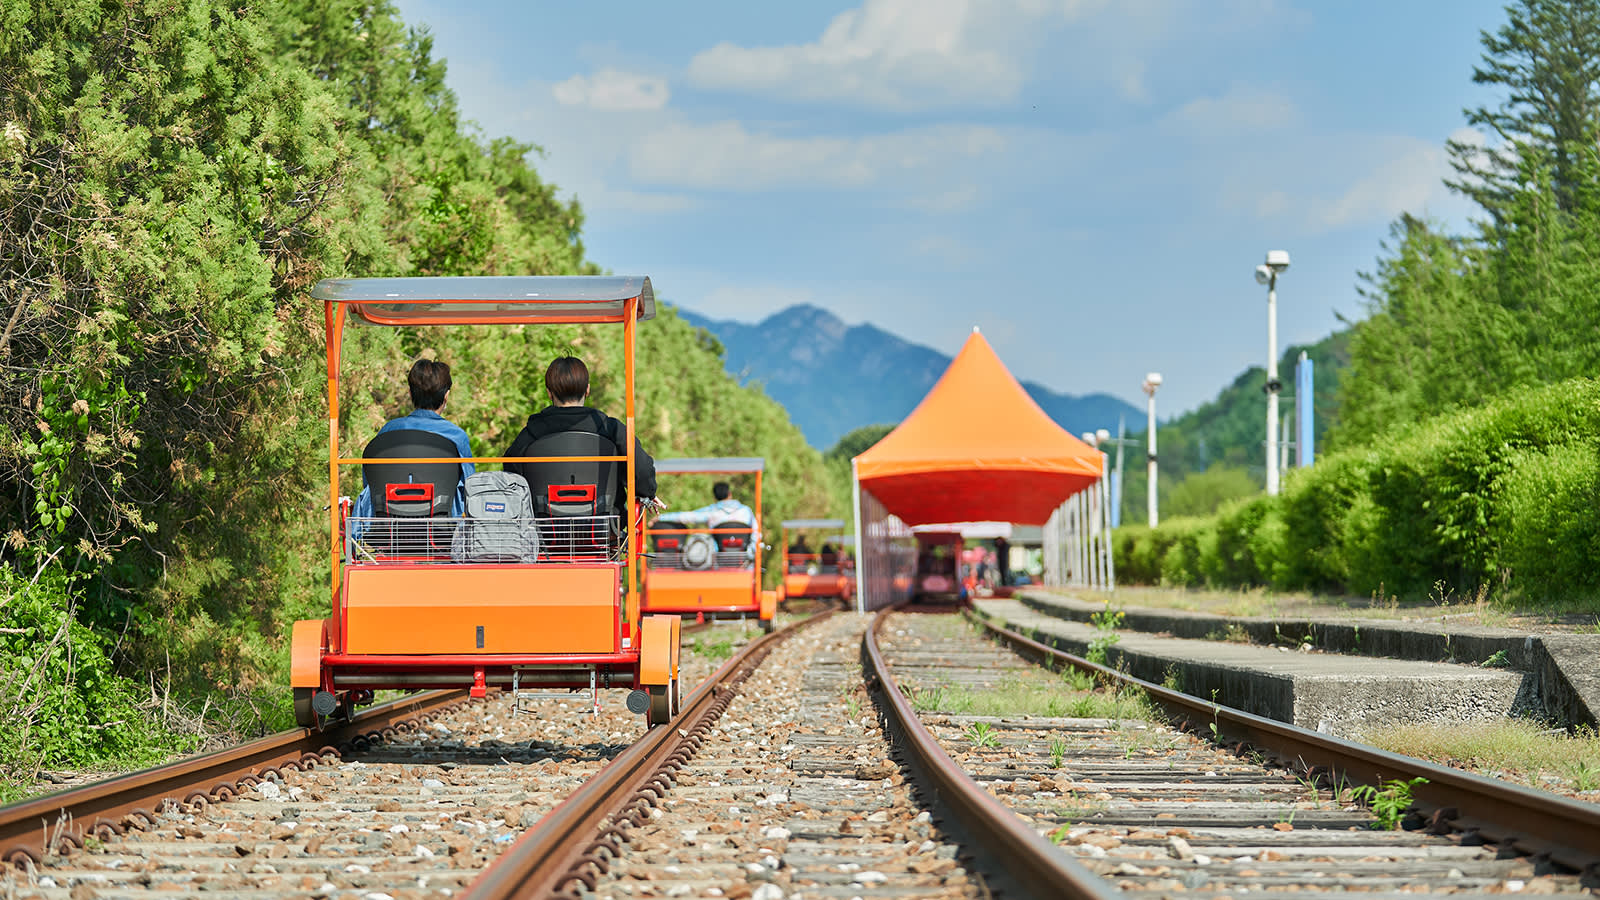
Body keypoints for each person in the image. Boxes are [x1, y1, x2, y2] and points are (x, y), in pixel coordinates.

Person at [502, 356, 656, 518]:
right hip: (604, 527)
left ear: (549, 393)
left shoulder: (531, 434)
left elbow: (510, 475)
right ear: (587, 390)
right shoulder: (611, 429)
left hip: (543, 530)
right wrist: (648, 492)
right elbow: (642, 470)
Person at [353, 359, 475, 517]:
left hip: (388, 529)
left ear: (410, 393)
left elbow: (370, 484)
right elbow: (470, 489)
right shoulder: (456, 437)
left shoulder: (387, 433)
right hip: (441, 532)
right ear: (446, 396)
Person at [672, 481, 758, 542]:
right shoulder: (746, 511)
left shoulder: (711, 511)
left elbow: (686, 517)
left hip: (718, 559)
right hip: (744, 557)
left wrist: (661, 517)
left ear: (714, 497)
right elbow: (756, 533)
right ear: (730, 494)